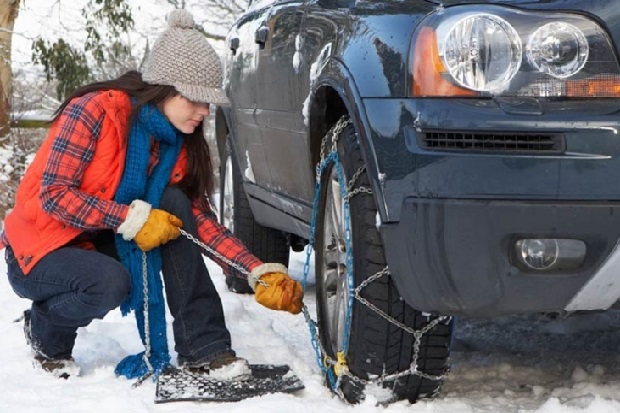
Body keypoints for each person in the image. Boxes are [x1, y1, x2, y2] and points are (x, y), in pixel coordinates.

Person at [0, 9, 303, 381]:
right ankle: (45, 331)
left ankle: (204, 346)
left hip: (97, 241)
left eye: (208, 102)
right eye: (195, 99)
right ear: (164, 89)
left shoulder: (176, 143)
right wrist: (129, 218)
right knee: (109, 282)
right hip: (39, 251)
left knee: (174, 206)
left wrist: (255, 270)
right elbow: (55, 196)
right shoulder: (95, 112)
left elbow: (198, 222)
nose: (205, 111)